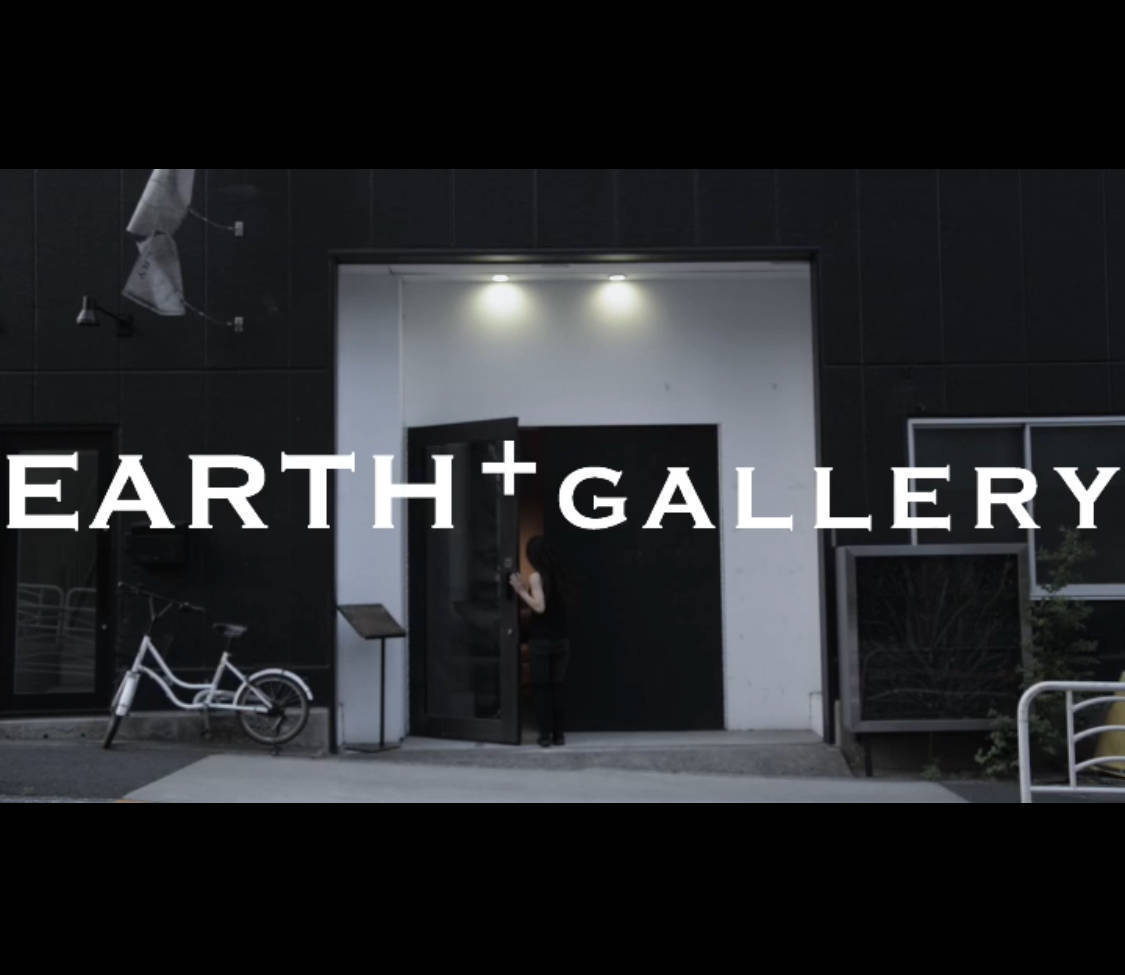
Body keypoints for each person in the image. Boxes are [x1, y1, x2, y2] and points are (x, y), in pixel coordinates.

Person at [509, 535, 569, 747]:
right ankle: (559, 734)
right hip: (561, 639)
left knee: (542, 688)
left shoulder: (536, 577)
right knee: (557, 688)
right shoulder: (561, 575)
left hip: (541, 641)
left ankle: (545, 735)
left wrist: (520, 590)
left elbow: (539, 607)